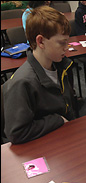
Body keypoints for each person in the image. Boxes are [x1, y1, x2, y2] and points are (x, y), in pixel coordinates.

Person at [3, 6, 76, 144]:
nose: (67, 48)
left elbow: (68, 108)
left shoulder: (62, 67)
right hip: (41, 146)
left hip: (63, 138)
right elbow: (17, 133)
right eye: (62, 43)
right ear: (41, 41)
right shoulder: (22, 83)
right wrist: (57, 120)